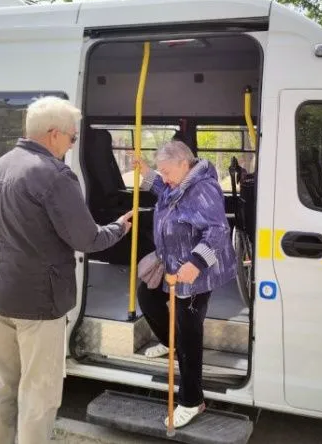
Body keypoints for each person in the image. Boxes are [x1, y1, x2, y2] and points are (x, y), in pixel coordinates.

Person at [0, 96, 132, 444]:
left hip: (2, 292)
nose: (71, 144)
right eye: (72, 137)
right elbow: (87, 238)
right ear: (53, 135)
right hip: (41, 303)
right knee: (40, 393)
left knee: (2, 384)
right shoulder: (54, 175)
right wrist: (119, 228)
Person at [135, 141, 236, 429]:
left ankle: (192, 400)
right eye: (161, 173)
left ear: (184, 164)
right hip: (172, 264)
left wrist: (196, 263)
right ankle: (170, 342)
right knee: (148, 295)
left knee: (189, 332)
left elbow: (217, 231)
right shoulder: (179, 182)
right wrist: (148, 174)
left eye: (167, 171)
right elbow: (166, 191)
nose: (164, 177)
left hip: (195, 272)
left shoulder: (203, 189)